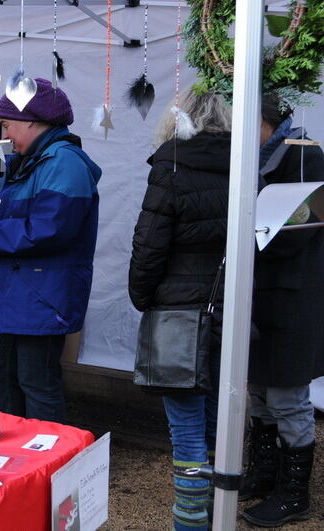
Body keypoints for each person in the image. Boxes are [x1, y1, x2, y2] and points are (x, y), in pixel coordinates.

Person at [0, 78, 102, 423]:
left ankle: (48, 464)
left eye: (7, 125)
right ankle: (12, 459)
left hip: (42, 296)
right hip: (13, 295)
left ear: (32, 121)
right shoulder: (27, 162)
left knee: (37, 383)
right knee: (4, 381)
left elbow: (47, 231)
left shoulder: (64, 163)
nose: (5, 134)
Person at [128, 89, 232, 531]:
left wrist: (142, 298)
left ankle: (191, 522)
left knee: (186, 428)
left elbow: (148, 247)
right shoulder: (247, 166)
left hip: (178, 314)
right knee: (212, 424)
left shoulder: (170, 167)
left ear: (178, 119)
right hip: (230, 309)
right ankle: (209, 517)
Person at [239, 94, 324, 528]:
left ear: (262, 120)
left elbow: (299, 228)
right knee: (258, 390)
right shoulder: (255, 157)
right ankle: (265, 473)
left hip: (292, 296)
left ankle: (295, 494)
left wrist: (242, 236)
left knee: (288, 398)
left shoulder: (305, 156)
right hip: (261, 293)